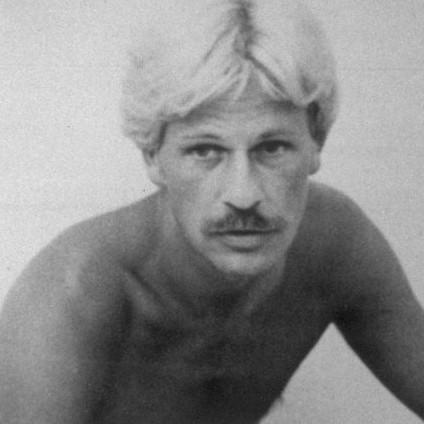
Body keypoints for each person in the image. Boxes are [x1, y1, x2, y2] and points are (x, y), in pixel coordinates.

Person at [0, 0, 423, 423]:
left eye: (272, 148)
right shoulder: (70, 297)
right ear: (153, 156)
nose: (243, 195)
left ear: (316, 143)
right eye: (205, 151)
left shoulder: (334, 243)